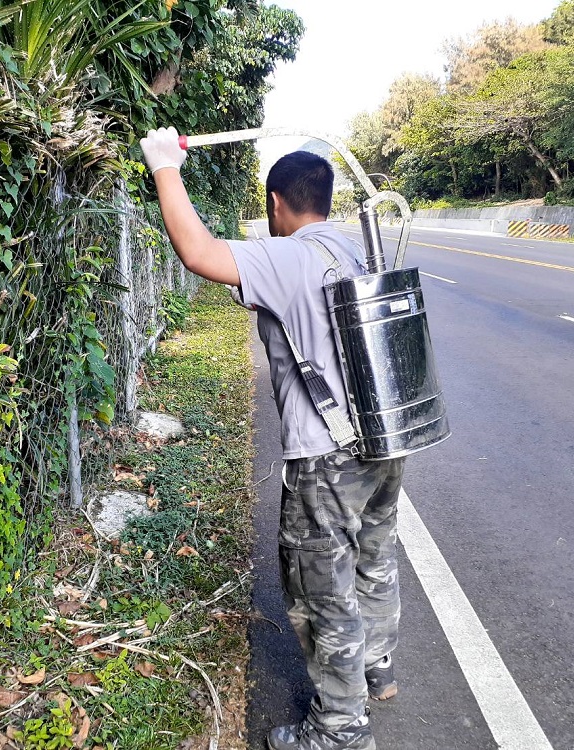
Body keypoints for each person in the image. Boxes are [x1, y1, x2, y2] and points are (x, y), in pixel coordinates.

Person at [140, 127, 405, 750]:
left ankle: (340, 728)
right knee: (375, 559)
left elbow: (199, 252)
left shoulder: (289, 255)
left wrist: (163, 168)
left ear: (278, 202)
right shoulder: (351, 250)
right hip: (381, 443)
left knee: (324, 590)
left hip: (326, 456)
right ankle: (376, 669)